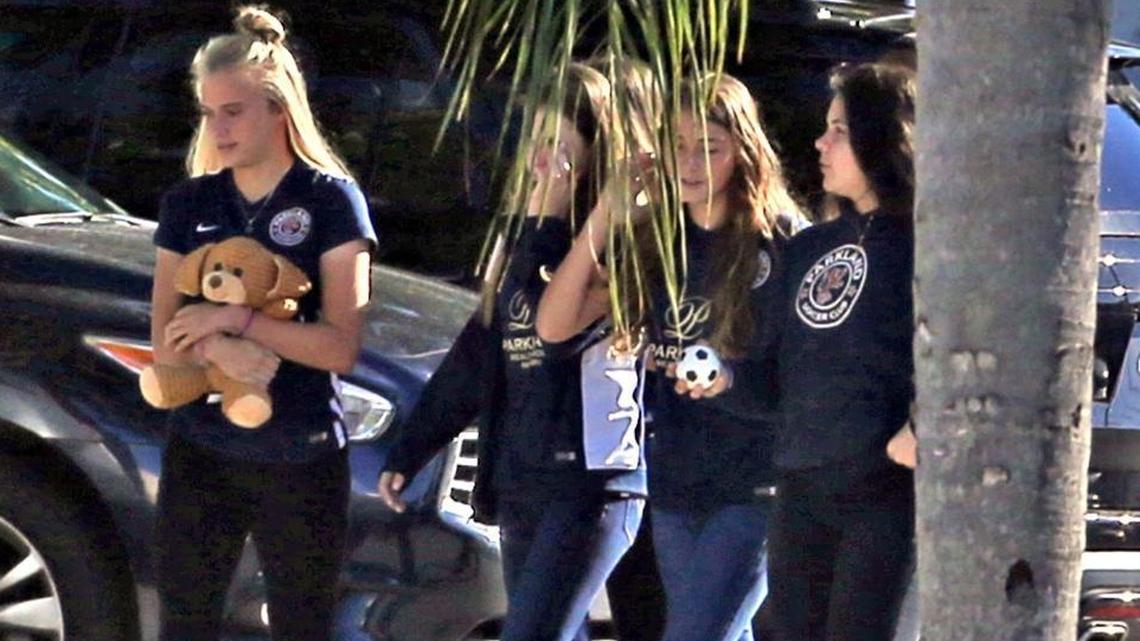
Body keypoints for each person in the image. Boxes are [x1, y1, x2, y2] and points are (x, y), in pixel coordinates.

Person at [376, 62, 645, 641]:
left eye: (559, 147)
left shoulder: (613, 245)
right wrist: (412, 447)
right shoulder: (520, 237)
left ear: (595, 160)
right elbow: (479, 353)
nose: (541, 161)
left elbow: (554, 322)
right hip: (521, 476)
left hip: (590, 483)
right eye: (535, 144)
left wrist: (550, 216)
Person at [538, 72, 805, 641]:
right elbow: (556, 324)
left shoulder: (782, 241)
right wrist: (608, 212)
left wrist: (729, 379)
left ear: (745, 149)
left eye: (708, 148)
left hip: (755, 486)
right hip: (677, 481)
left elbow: (810, 370)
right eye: (677, 147)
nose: (689, 163)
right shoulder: (659, 239)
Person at [148, 7, 376, 641]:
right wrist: (225, 348)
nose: (218, 128)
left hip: (300, 455)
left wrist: (240, 319)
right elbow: (166, 332)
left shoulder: (331, 200)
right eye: (208, 112)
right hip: (201, 448)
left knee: (303, 626)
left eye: (234, 111)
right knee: (184, 624)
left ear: (279, 109)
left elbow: (340, 346)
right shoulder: (190, 201)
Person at [764, 62, 917, 641]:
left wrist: (922, 425)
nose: (819, 143)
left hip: (883, 491)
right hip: (802, 484)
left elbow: (955, 344)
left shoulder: (925, 242)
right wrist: (720, 377)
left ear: (885, 138)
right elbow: (771, 369)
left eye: (840, 131)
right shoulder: (808, 246)